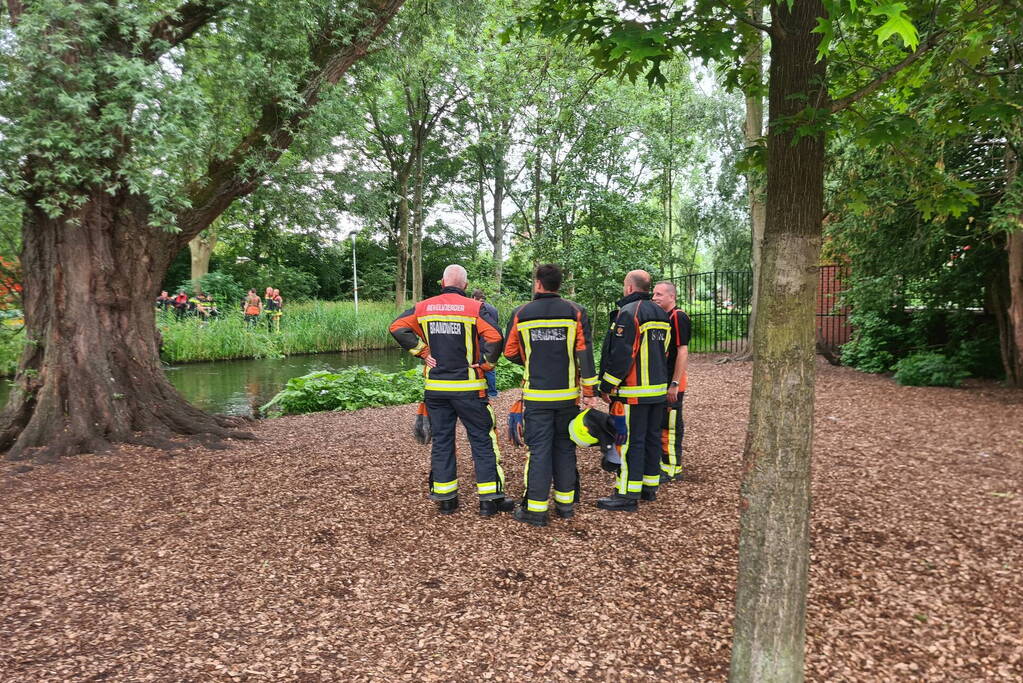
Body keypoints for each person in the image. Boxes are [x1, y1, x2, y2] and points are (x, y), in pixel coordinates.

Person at [389, 264, 512, 517]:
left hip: (436, 389)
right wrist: (487, 364)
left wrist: (423, 352)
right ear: (465, 286)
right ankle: (488, 501)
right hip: (469, 388)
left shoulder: (424, 307)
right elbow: (495, 337)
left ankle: (446, 500)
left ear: (442, 283)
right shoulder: (474, 308)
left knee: (443, 440)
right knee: (481, 438)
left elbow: (397, 327)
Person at [503, 264, 599, 527]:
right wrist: (589, 393)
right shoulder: (575, 312)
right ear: (559, 285)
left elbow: (509, 351)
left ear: (538, 284)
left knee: (539, 450)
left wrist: (532, 359)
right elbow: (585, 355)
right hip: (567, 396)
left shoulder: (521, 313)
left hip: (536, 396)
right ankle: (566, 506)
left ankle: (536, 510)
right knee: (565, 449)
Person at [596, 270, 671, 511]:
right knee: (650, 439)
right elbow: (665, 351)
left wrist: (607, 385)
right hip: (657, 391)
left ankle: (627, 494)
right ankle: (648, 488)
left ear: (629, 288)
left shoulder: (629, 313)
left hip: (633, 392)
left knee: (629, 442)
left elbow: (623, 354)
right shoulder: (661, 313)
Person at [652, 281, 691, 482]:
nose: (654, 298)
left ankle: (672, 468)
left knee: (671, 426)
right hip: (662, 380)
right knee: (661, 424)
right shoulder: (662, 317)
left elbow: (682, 350)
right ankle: (662, 464)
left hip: (673, 384)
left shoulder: (678, 316)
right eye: (653, 294)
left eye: (659, 294)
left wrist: (674, 383)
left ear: (671, 296)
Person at [471, 289, 500, 398]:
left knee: (476, 365)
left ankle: (478, 391)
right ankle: (492, 392)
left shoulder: (474, 309)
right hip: (491, 340)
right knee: (490, 365)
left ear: (474, 298)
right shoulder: (493, 309)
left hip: (478, 341)